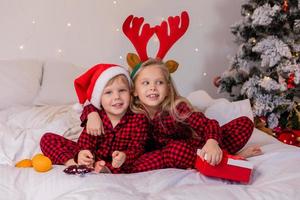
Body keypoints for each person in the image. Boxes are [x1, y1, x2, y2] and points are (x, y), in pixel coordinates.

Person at [81, 58, 262, 173]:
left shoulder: (177, 108)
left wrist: (212, 142)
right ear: (134, 91)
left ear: (168, 89)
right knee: (171, 152)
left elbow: (209, 124)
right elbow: (102, 105)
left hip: (200, 145)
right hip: (167, 154)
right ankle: (223, 159)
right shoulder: (131, 109)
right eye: (145, 83)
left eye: (159, 82)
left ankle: (221, 155)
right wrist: (91, 115)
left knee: (245, 122)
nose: (152, 87)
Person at [40, 64, 148, 173]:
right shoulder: (96, 116)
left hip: (120, 162)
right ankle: (72, 164)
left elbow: (137, 148)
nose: (116, 97)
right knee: (47, 138)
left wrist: (125, 156)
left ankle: (106, 169)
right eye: (108, 92)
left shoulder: (139, 118)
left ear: (130, 92)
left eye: (122, 90)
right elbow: (85, 142)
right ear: (99, 98)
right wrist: (83, 154)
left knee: (141, 162)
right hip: (93, 156)